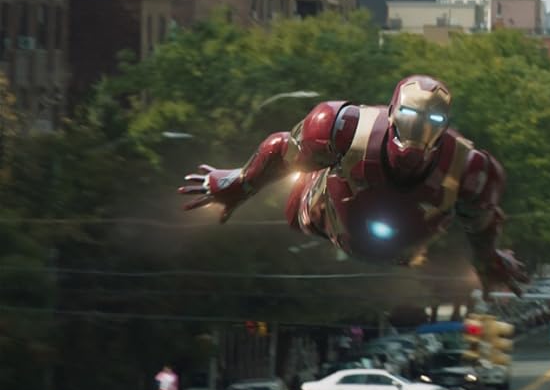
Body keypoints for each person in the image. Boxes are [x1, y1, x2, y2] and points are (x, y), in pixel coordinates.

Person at [177, 75, 529, 294]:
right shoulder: (342, 128)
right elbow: (282, 149)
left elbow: (481, 224)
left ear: (444, 124)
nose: (419, 128)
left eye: (432, 119)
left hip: (403, 245)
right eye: (409, 115)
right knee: (300, 194)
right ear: (393, 112)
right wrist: (240, 182)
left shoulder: (469, 169)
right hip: (324, 213)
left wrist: (488, 261)